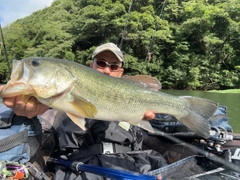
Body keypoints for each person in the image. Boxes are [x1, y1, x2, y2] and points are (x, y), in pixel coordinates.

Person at [0, 42, 166, 179]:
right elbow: (45, 116)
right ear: (91, 65)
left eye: (114, 66)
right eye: (101, 63)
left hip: (127, 167)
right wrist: (28, 114)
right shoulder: (56, 103)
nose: (107, 70)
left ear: (121, 72)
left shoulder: (134, 95)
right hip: (80, 168)